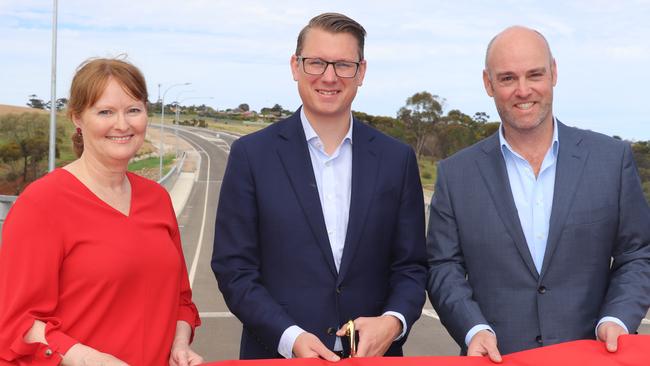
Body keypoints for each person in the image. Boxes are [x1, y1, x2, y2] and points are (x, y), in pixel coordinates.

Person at [426, 25, 650, 362]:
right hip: (496, 357)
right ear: (488, 83)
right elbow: (443, 266)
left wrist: (616, 318)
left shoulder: (611, 159)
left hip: (595, 355)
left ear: (554, 73)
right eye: (507, 79)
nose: (523, 90)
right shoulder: (455, 174)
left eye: (534, 74)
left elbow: (637, 253)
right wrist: (474, 328)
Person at [211, 12, 427, 360]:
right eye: (316, 63)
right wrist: (290, 338)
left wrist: (393, 322)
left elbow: (411, 267)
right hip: (277, 354)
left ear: (362, 72)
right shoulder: (251, 155)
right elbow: (234, 269)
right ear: (296, 66)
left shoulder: (397, 159)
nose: (329, 77)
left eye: (343, 64)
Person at [0, 57, 203, 365]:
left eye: (133, 110)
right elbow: (17, 325)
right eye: (105, 111)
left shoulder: (157, 198)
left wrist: (179, 345)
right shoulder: (42, 204)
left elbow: (179, 301)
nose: (122, 124)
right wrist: (88, 358)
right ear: (77, 119)